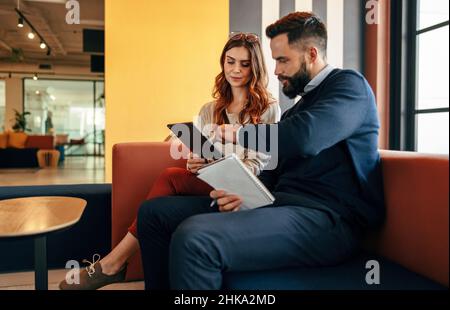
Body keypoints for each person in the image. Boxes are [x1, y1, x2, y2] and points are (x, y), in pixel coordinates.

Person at [137, 12, 385, 290]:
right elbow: (275, 168)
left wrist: (237, 132)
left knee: (196, 238)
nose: (276, 70)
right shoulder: (300, 108)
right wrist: (242, 193)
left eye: (282, 60)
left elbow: (304, 139)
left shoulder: (349, 86)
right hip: (279, 203)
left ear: (311, 54)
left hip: (329, 219)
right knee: (154, 213)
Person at [59, 32, 280, 290]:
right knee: (171, 176)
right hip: (213, 178)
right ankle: (114, 264)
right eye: (230, 61)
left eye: (244, 64)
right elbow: (202, 151)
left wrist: (221, 163)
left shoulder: (268, 106)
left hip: (245, 185)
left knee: (168, 181)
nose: (236, 70)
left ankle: (114, 263)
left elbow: (259, 164)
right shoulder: (210, 108)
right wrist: (196, 163)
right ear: (223, 62)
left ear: (255, 67)